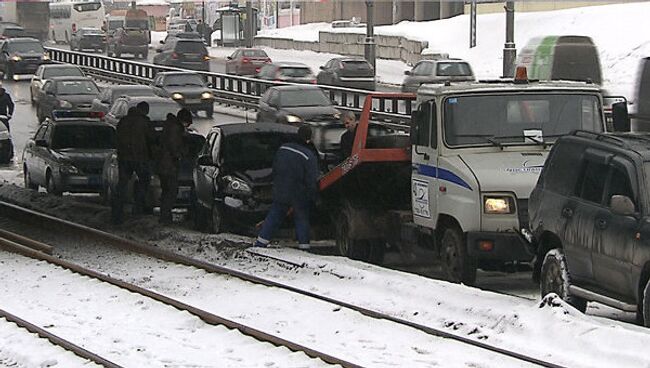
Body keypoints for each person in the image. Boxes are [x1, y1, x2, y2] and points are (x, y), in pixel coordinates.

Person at [254, 125, 320, 250]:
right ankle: (304, 247)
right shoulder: (308, 156)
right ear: (308, 139)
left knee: (274, 215)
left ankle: (260, 242)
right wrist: (314, 196)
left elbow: (275, 168)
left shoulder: (283, 148)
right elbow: (312, 180)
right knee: (301, 218)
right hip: (298, 193)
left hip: (281, 189)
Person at [111, 101, 154, 224]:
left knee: (122, 184)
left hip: (124, 157)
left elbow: (116, 138)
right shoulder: (145, 122)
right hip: (140, 157)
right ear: (145, 110)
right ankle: (138, 209)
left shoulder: (123, 121)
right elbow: (151, 139)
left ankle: (117, 213)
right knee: (144, 181)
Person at [157, 108, 191, 224]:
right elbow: (174, 147)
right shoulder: (176, 129)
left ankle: (164, 215)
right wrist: (181, 154)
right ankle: (165, 217)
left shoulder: (169, 126)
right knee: (171, 191)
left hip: (163, 164)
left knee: (166, 191)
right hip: (169, 165)